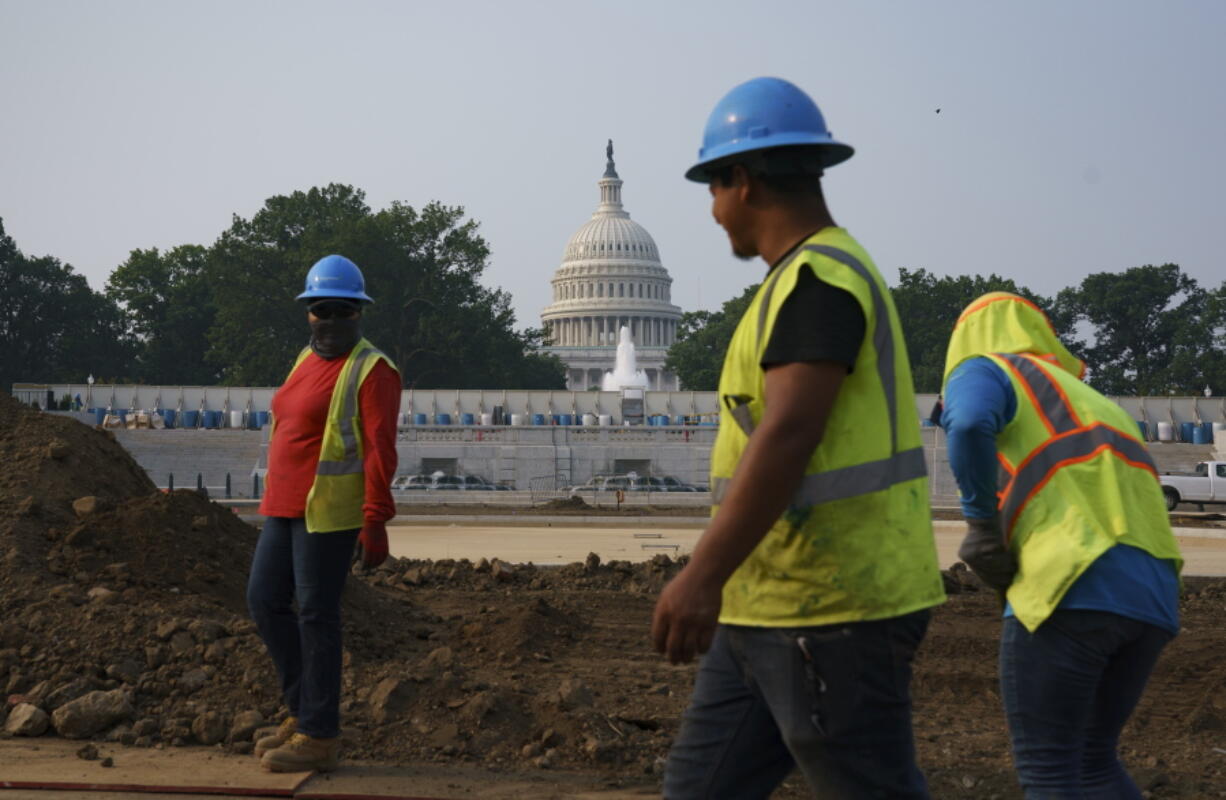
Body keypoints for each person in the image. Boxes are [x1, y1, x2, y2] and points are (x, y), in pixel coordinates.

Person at [653, 76, 945, 799]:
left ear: (743, 182)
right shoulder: (793, 284)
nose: (713, 212)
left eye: (713, 189)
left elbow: (788, 433)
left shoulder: (821, 281)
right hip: (768, 606)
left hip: (833, 610)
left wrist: (700, 575)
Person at [940, 292, 1182, 798]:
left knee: (1048, 770)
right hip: (1152, 595)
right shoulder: (1095, 402)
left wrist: (981, 524)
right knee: (1094, 763)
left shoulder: (985, 368)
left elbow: (965, 423)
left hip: (1070, 583)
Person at [246, 254, 401, 773]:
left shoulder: (372, 369)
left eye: (341, 311)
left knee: (317, 617)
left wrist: (375, 519)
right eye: (321, 310)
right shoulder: (304, 359)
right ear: (308, 312)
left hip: (328, 514)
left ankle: (320, 733)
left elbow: (380, 448)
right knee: (265, 602)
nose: (330, 320)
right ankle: (301, 712)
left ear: (359, 313)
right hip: (284, 508)